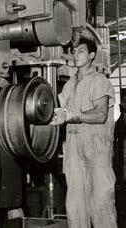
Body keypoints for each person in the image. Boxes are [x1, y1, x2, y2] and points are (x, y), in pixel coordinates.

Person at [50, 37, 117, 228]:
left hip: (96, 148)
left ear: (92, 55)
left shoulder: (99, 81)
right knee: (75, 207)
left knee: (101, 204)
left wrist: (73, 115)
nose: (75, 55)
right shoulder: (70, 84)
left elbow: (101, 114)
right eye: (74, 52)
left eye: (80, 51)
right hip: (73, 149)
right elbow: (56, 108)